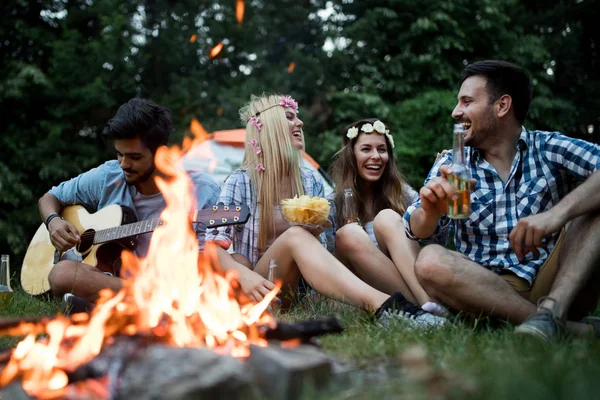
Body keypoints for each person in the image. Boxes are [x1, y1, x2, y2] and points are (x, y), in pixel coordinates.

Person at [206, 94, 444, 327]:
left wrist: (319, 233)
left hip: (301, 291)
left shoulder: (310, 180)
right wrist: (241, 273)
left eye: (297, 117)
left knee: (326, 234)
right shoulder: (237, 182)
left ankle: (420, 310)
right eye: (289, 117)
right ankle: (387, 308)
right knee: (280, 242)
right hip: (260, 287)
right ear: (269, 127)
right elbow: (211, 246)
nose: (299, 122)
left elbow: (326, 252)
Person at [403, 60, 600, 341]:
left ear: (502, 106)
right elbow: (416, 229)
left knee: (594, 206)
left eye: (467, 101)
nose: (455, 112)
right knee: (430, 260)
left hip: (556, 280)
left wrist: (556, 215)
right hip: (483, 290)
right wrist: (430, 211)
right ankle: (557, 326)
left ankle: (551, 312)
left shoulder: (548, 147)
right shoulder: (452, 162)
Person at [39, 98, 221, 311]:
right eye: (119, 154)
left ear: (161, 154)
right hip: (115, 280)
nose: (124, 164)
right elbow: (49, 198)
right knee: (63, 274)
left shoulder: (201, 191)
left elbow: (205, 265)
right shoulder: (109, 175)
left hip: (167, 285)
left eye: (134, 157)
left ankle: (105, 304)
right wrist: (53, 222)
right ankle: (133, 303)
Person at [327, 118, 449, 324]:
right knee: (349, 233)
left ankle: (429, 309)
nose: (376, 156)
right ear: (351, 155)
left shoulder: (404, 195)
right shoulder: (333, 202)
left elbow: (435, 244)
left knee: (387, 217)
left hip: (401, 285)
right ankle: (424, 309)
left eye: (382, 149)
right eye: (366, 149)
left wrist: (436, 192)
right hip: (354, 290)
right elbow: (325, 263)